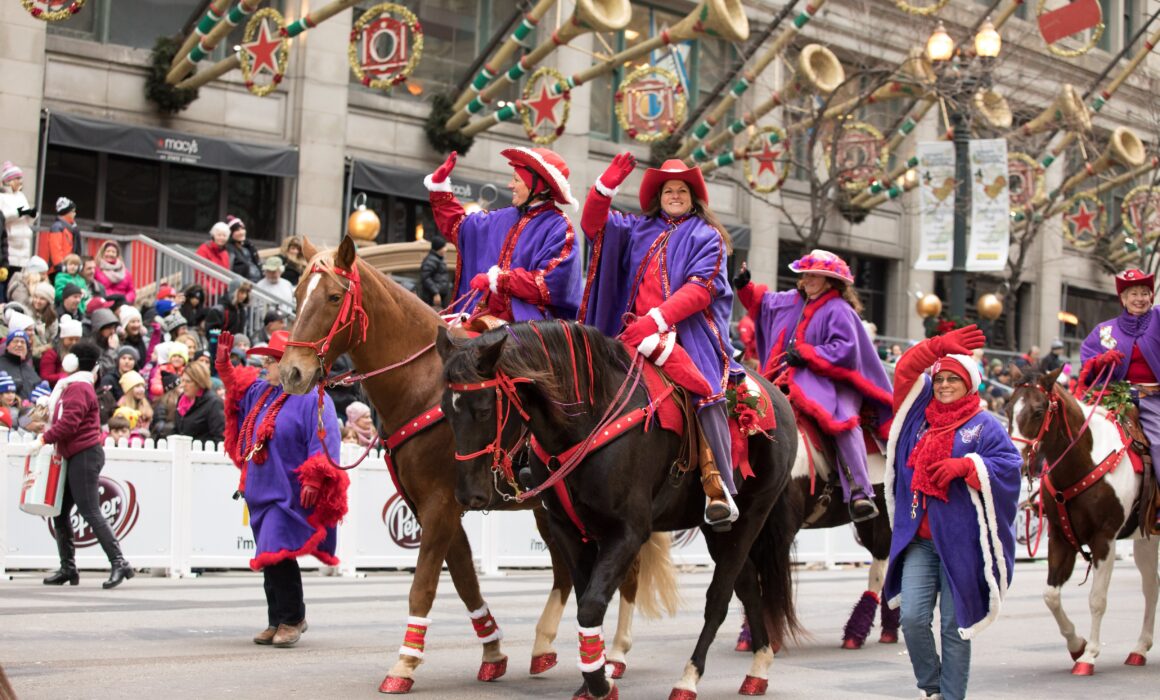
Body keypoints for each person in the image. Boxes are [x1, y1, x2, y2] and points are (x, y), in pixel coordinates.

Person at [580, 154, 742, 525]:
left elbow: (701, 291)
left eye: (681, 190)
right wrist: (605, 186)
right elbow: (594, 226)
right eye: (668, 190)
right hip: (630, 333)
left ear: (693, 196)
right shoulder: (637, 228)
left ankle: (717, 486)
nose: (674, 195)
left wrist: (656, 319)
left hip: (684, 333)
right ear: (659, 195)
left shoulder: (707, 235)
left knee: (702, 389)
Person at [883, 325, 1021, 700]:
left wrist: (969, 467)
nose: (943, 385)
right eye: (939, 378)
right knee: (911, 618)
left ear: (970, 384)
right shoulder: (917, 418)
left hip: (963, 543)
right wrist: (939, 346)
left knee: (952, 626)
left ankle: (951, 696)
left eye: (952, 379)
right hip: (919, 541)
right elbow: (907, 370)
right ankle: (932, 687)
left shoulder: (986, 424)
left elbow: (1010, 466)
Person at [734, 249, 894, 522]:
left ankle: (859, 491)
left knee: (840, 419)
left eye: (814, 275)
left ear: (831, 281)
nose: (807, 279)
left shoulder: (841, 310)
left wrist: (808, 354)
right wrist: (745, 286)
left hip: (833, 381)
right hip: (785, 377)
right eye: (805, 274)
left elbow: (845, 351)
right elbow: (762, 305)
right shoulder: (792, 300)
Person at [215, 329, 349, 647]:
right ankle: (277, 619)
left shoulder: (312, 399)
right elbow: (235, 388)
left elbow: (326, 440)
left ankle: (292, 618)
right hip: (260, 488)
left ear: (287, 364)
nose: (265, 368)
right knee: (269, 554)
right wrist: (223, 365)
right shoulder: (262, 392)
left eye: (270, 362)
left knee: (277, 551)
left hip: (289, 491)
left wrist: (316, 477)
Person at [424, 147, 582, 321]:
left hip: (528, 329)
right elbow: (459, 227)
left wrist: (500, 280)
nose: (510, 185)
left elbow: (552, 283)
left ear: (537, 186)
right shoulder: (502, 216)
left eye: (516, 179)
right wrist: (440, 190)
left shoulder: (559, 227)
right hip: (482, 317)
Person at [38, 339, 135, 589]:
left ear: (73, 362)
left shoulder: (77, 387)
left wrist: (43, 438)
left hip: (84, 454)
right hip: (77, 454)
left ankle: (119, 562)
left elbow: (70, 423)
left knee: (90, 510)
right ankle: (68, 568)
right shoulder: (74, 386)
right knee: (60, 512)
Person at [1079, 268, 1160, 528]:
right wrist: (1099, 361)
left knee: (1158, 442)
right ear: (1122, 299)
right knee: (1073, 430)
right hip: (1114, 396)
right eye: (1133, 293)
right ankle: (1050, 495)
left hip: (1153, 398)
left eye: (1144, 293)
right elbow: (1086, 365)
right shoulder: (1105, 331)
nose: (1139, 298)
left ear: (1151, 296)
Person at [0, 162, 35, 284]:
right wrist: (19, 212)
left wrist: (32, 214)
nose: (21, 181)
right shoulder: (2, 197)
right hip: (10, 246)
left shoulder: (21, 196)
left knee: (17, 281)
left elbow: (27, 219)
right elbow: (2, 216)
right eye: (17, 178)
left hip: (23, 247)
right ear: (10, 180)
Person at [172, 361, 224, 444]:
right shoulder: (182, 400)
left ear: (199, 382)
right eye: (183, 380)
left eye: (188, 381)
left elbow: (219, 438)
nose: (183, 385)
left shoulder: (213, 403)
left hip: (202, 454)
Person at [0, 328, 41, 399]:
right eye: (15, 341)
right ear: (7, 346)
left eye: (23, 342)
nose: (19, 344)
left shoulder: (30, 370)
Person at [45, 197, 82, 271]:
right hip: (60, 270)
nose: (75, 214)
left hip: (69, 267)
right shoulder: (57, 227)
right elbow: (55, 250)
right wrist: (61, 267)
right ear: (67, 212)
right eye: (73, 211)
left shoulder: (72, 229)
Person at [418, 234, 451, 308]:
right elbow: (425, 278)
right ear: (439, 248)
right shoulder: (431, 260)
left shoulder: (438, 259)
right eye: (444, 247)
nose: (446, 249)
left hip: (440, 297)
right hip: (432, 299)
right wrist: (435, 293)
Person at [226, 216, 262, 282]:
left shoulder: (249, 246)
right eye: (237, 230)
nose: (241, 232)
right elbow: (229, 268)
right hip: (243, 284)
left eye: (242, 229)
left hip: (258, 282)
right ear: (231, 234)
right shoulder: (229, 248)